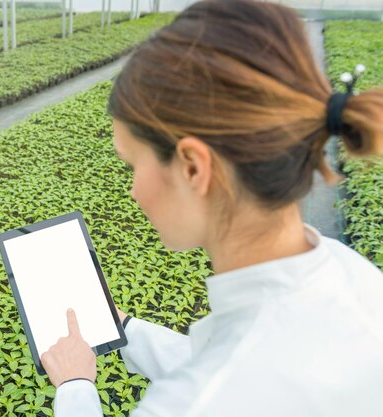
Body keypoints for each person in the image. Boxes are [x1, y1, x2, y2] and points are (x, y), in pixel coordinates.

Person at [39, 0, 383, 416]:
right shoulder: (354, 275)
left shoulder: (192, 403)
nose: (132, 191)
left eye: (132, 165)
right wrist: (126, 327)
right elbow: (237, 369)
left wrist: (76, 387)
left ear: (193, 167)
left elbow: (222, 382)